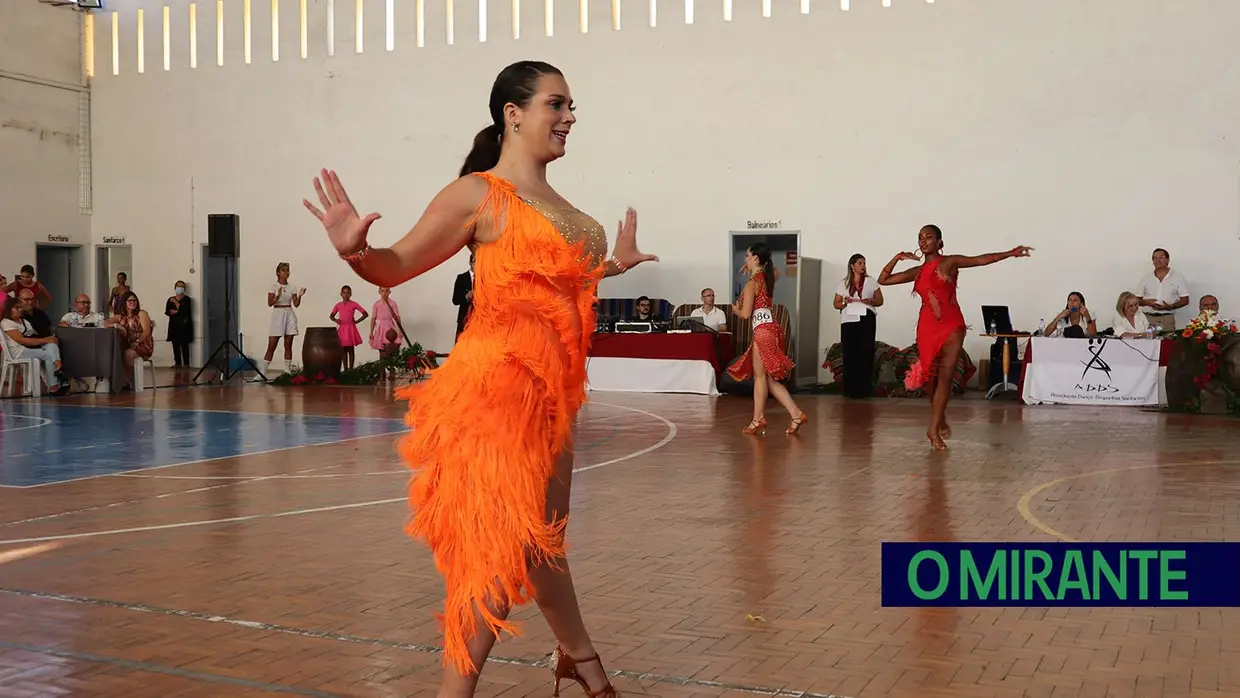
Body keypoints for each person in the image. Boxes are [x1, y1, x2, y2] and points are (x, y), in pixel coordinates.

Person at [301, 60, 657, 698]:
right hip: (495, 390)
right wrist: (354, 251)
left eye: (572, 106)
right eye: (557, 104)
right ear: (513, 114)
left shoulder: (568, 211)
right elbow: (398, 264)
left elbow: (551, 282)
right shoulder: (478, 195)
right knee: (499, 548)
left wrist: (612, 268)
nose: (570, 117)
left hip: (556, 396)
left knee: (543, 541)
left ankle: (581, 661)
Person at [878, 225, 1031, 450]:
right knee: (928, 379)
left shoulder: (949, 262)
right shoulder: (917, 272)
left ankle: (933, 429)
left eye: (929, 237)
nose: (923, 241)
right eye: (920, 238)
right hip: (927, 328)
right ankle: (939, 418)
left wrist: (1009, 253)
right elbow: (884, 279)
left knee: (946, 378)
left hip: (952, 326)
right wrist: (898, 257)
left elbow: (980, 260)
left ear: (939, 242)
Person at [727, 242, 806, 436]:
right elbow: (774, 268)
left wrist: (735, 310)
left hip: (762, 331)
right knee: (764, 378)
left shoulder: (752, 283)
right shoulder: (768, 277)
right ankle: (793, 415)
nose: (745, 260)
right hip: (772, 329)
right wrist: (757, 265)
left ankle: (759, 419)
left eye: (747, 256)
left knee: (761, 377)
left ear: (755, 258)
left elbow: (746, 314)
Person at [832, 253, 883, 398]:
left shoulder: (871, 281)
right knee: (850, 352)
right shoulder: (843, 284)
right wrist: (844, 302)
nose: (863, 266)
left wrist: (871, 301)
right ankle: (849, 389)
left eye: (864, 263)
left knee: (865, 352)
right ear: (852, 266)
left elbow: (880, 300)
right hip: (849, 319)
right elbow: (836, 304)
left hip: (866, 317)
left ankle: (864, 389)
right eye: (860, 263)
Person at [263, 262, 305, 374]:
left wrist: (300, 295)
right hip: (278, 313)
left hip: (289, 313)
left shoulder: (292, 287)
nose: (286, 272)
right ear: (278, 272)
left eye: (287, 270)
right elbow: (269, 303)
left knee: (288, 343)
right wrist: (278, 296)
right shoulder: (274, 286)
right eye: (283, 270)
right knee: (272, 344)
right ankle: (263, 371)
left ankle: (287, 370)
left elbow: (296, 304)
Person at [330, 285, 368, 371]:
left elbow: (365, 314)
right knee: (343, 350)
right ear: (341, 294)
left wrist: (356, 321)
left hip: (350, 329)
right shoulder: (338, 305)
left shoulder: (353, 304)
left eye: (348, 293)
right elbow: (331, 316)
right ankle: (345, 369)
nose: (346, 295)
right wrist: (336, 320)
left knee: (351, 349)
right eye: (344, 293)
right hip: (342, 329)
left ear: (350, 294)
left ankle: (351, 369)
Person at [165, 280, 194, 367]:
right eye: (178, 286)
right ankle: (177, 363)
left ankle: (186, 363)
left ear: (184, 289)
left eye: (182, 287)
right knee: (175, 345)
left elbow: (185, 311)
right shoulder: (170, 299)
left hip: (185, 325)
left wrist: (176, 305)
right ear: (175, 288)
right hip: (174, 325)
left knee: (185, 345)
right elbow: (168, 311)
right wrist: (175, 309)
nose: (180, 288)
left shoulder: (187, 299)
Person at [452, 254, 474, 340]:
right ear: (470, 262)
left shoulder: (485, 277)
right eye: (475, 261)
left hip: (481, 320)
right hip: (465, 319)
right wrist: (466, 296)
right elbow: (455, 300)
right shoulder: (461, 278)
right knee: (461, 346)